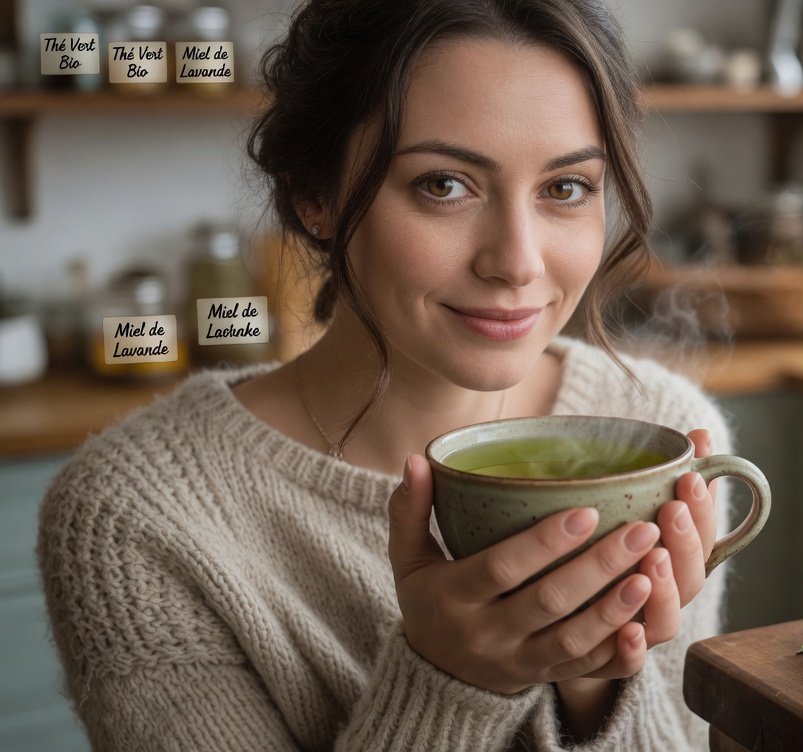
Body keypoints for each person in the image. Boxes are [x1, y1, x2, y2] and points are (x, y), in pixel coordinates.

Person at [37, 1, 734, 749]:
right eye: (444, 185)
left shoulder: (656, 429)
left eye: (565, 188)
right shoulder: (137, 518)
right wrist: (450, 685)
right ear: (316, 196)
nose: (518, 262)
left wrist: (599, 675)